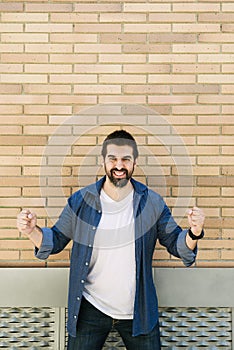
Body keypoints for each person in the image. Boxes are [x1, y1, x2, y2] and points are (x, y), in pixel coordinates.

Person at [17, 129, 205, 350]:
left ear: (135, 162)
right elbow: (56, 239)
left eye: (126, 159)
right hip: (89, 308)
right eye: (113, 158)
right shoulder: (81, 201)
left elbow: (176, 243)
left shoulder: (152, 202)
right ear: (103, 161)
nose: (119, 165)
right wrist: (31, 230)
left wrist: (194, 231)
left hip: (139, 311)